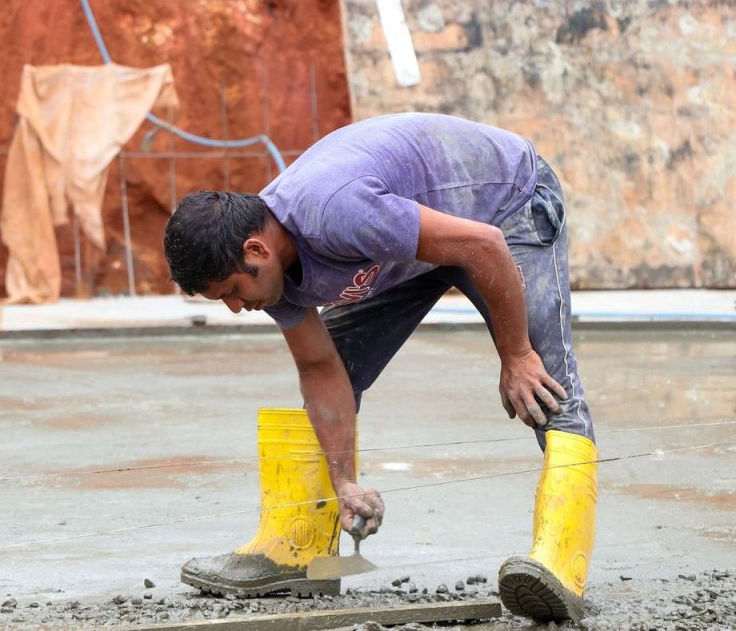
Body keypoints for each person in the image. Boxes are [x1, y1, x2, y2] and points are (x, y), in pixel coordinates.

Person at [163, 113, 598, 623]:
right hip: (416, 235)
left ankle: (561, 560)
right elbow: (320, 368)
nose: (236, 307)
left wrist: (516, 354)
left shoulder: (336, 212)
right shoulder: (272, 272)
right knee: (342, 368)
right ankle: (295, 549)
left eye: (233, 292)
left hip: (505, 206)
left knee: (544, 382)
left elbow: (483, 245)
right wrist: (345, 480)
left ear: (256, 250)